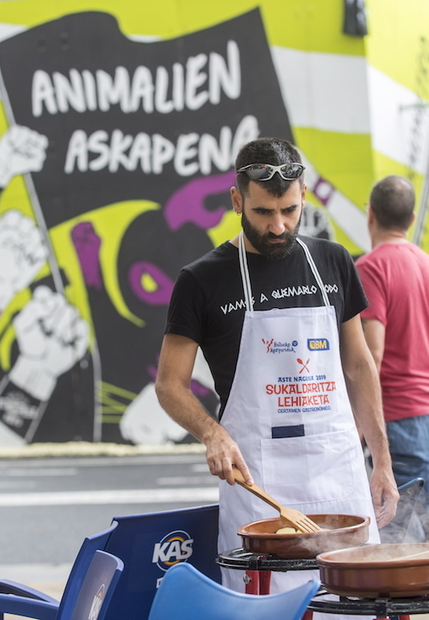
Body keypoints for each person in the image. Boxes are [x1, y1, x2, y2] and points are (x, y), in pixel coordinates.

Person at [155, 137, 399, 595]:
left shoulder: (333, 262)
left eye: (289, 210)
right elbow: (169, 385)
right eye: (264, 213)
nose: (278, 226)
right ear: (236, 200)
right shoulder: (200, 280)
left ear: (303, 194)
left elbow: (359, 367)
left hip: (338, 475)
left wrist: (382, 461)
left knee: (352, 601)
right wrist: (213, 433)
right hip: (258, 487)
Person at [355, 175, 429, 544]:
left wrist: (359, 421)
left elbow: (371, 354)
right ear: (411, 218)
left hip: (397, 417)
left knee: (396, 531)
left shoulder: (370, 269)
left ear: (370, 213)